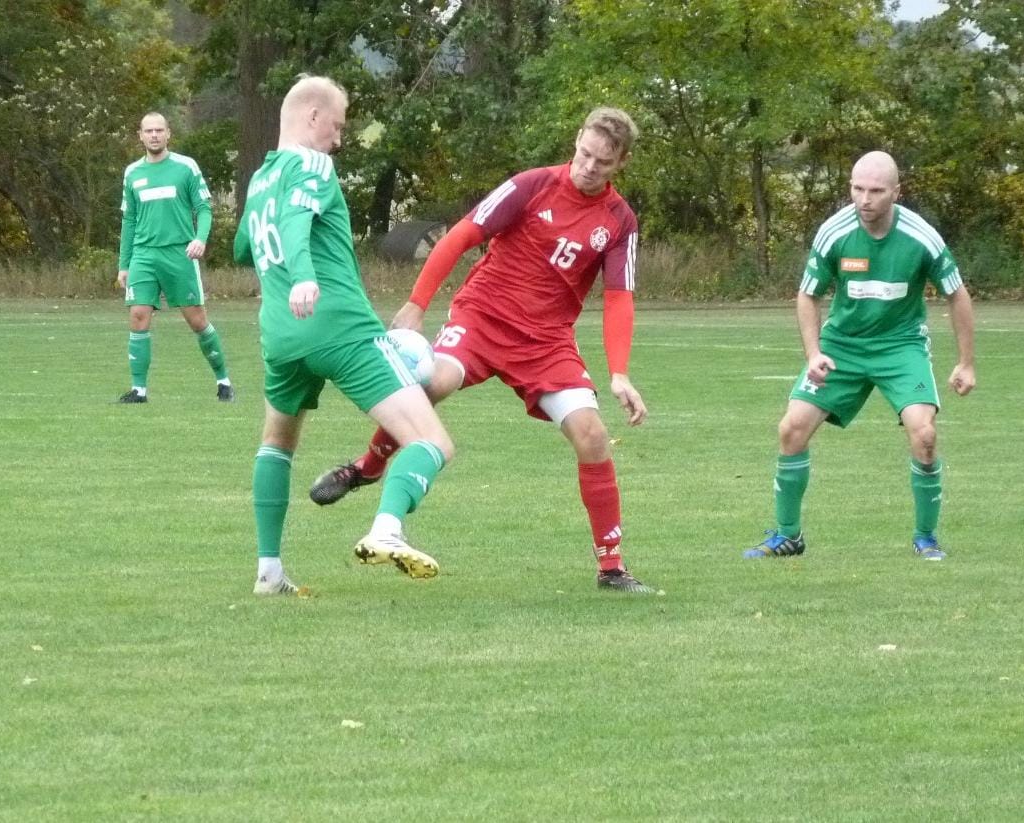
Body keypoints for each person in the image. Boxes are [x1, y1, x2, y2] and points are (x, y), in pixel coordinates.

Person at [309, 107, 657, 594]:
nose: (588, 166)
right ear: (576, 141)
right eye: (584, 153)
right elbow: (460, 237)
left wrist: (619, 373)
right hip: (481, 318)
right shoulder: (531, 185)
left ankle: (612, 568)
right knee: (432, 385)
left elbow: (620, 297)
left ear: (621, 162)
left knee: (592, 435)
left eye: (602, 161)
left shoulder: (619, 221)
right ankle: (367, 467)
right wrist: (415, 304)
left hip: (546, 342)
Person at [233, 75, 454, 595]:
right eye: (336, 126)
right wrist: (306, 274)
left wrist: (285, 267)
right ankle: (387, 530)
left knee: (277, 443)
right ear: (312, 117)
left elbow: (245, 247)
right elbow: (293, 222)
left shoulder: (263, 177)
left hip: (279, 334)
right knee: (431, 440)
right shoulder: (312, 164)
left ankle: (269, 571)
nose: (338, 140)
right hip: (336, 325)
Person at [744, 150, 976, 562]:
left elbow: (957, 294)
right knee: (791, 429)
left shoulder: (922, 237)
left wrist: (965, 361)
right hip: (842, 346)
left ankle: (926, 538)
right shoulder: (835, 232)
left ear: (896, 192)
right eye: (857, 189)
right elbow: (807, 294)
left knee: (924, 435)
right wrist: (814, 353)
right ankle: (788, 535)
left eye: (875, 190)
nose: (864, 199)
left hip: (901, 345)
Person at [116, 112, 234, 403]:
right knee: (138, 316)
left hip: (178, 254)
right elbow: (129, 220)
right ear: (140, 136)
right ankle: (139, 390)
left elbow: (204, 208)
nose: (154, 135)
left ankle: (224, 381)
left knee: (197, 321)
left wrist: (200, 238)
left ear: (168, 134)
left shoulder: (185, 167)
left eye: (159, 130)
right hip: (143, 255)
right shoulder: (132, 173)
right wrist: (124, 264)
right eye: (148, 131)